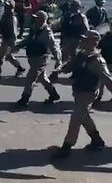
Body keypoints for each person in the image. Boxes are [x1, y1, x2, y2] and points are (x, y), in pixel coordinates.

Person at [53, 30, 112, 159]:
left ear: (94, 43)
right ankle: (97, 140)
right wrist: (58, 71)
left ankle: (67, 146)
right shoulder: (82, 55)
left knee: (76, 118)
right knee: (83, 116)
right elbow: (69, 65)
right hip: (78, 91)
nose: (82, 41)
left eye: (85, 39)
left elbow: (107, 79)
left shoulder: (97, 60)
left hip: (88, 93)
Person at [16, 10, 61, 107]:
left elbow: (54, 46)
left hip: (41, 58)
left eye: (37, 18)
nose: (35, 20)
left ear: (42, 20)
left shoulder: (46, 32)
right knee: (42, 78)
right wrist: (19, 45)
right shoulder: (34, 28)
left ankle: (25, 98)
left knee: (30, 78)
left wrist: (58, 59)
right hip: (33, 57)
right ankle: (53, 94)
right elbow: (28, 39)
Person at [0, 0, 25, 80]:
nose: (6, 7)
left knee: (0, 56)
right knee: (9, 57)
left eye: (8, 6)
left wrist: (13, 43)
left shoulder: (12, 17)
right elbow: (0, 24)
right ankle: (20, 68)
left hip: (9, 39)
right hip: (5, 37)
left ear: (11, 7)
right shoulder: (5, 15)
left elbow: (14, 31)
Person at [96, 27, 112, 103]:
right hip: (106, 60)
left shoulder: (106, 36)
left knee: (102, 79)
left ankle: (99, 96)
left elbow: (98, 46)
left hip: (106, 60)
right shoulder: (106, 36)